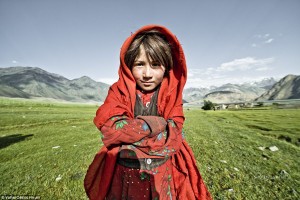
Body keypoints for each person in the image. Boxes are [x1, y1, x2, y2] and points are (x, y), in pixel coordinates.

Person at [84, 25, 212, 200]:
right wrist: (157, 124)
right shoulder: (118, 92)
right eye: (139, 64)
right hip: (123, 176)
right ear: (128, 65)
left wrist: (130, 134)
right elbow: (110, 129)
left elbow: (173, 137)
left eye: (155, 65)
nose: (147, 74)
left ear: (166, 67)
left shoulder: (172, 95)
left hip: (162, 175)